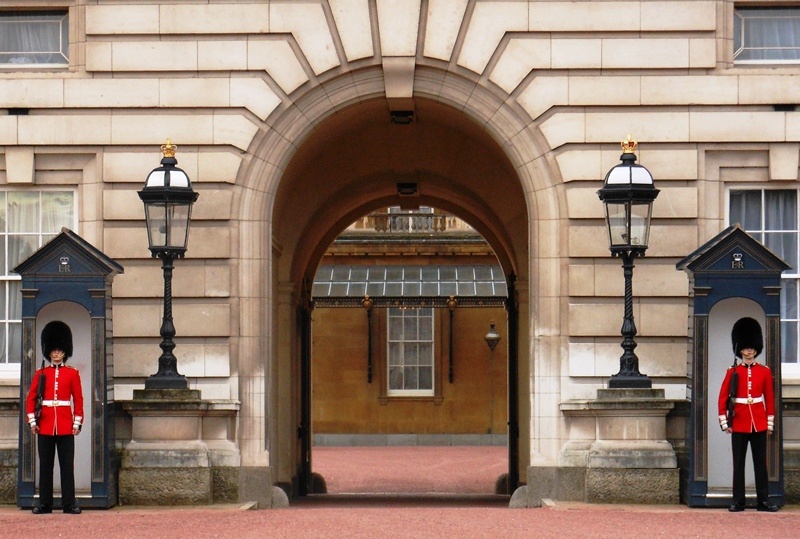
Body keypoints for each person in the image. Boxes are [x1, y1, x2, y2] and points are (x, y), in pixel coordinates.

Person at [717, 317, 779, 512]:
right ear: (740, 349)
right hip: (739, 422)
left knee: (761, 465)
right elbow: (722, 398)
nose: (749, 350)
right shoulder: (732, 371)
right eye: (745, 347)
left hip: (758, 423)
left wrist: (769, 423)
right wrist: (725, 422)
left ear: (756, 348)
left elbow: (769, 398)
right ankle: (738, 501)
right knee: (739, 465)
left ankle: (763, 500)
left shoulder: (765, 371)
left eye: (752, 347)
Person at [25, 321, 84, 515]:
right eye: (54, 350)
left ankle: (69, 503)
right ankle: (45, 503)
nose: (57, 353)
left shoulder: (72, 373)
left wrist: (77, 422)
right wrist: (33, 421)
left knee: (67, 466)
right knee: (46, 466)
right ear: (48, 351)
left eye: (60, 350)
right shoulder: (41, 373)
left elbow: (78, 399)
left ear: (65, 351)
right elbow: (31, 398)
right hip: (45, 425)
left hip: (66, 425)